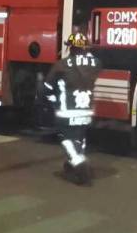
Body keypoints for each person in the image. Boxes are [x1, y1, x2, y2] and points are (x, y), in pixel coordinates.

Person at [41, 31, 101, 185]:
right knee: (80, 137)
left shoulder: (61, 65)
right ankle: (72, 162)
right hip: (86, 111)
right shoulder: (95, 63)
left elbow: (46, 88)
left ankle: (78, 163)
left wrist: (51, 99)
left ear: (70, 48)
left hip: (67, 111)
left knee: (66, 137)